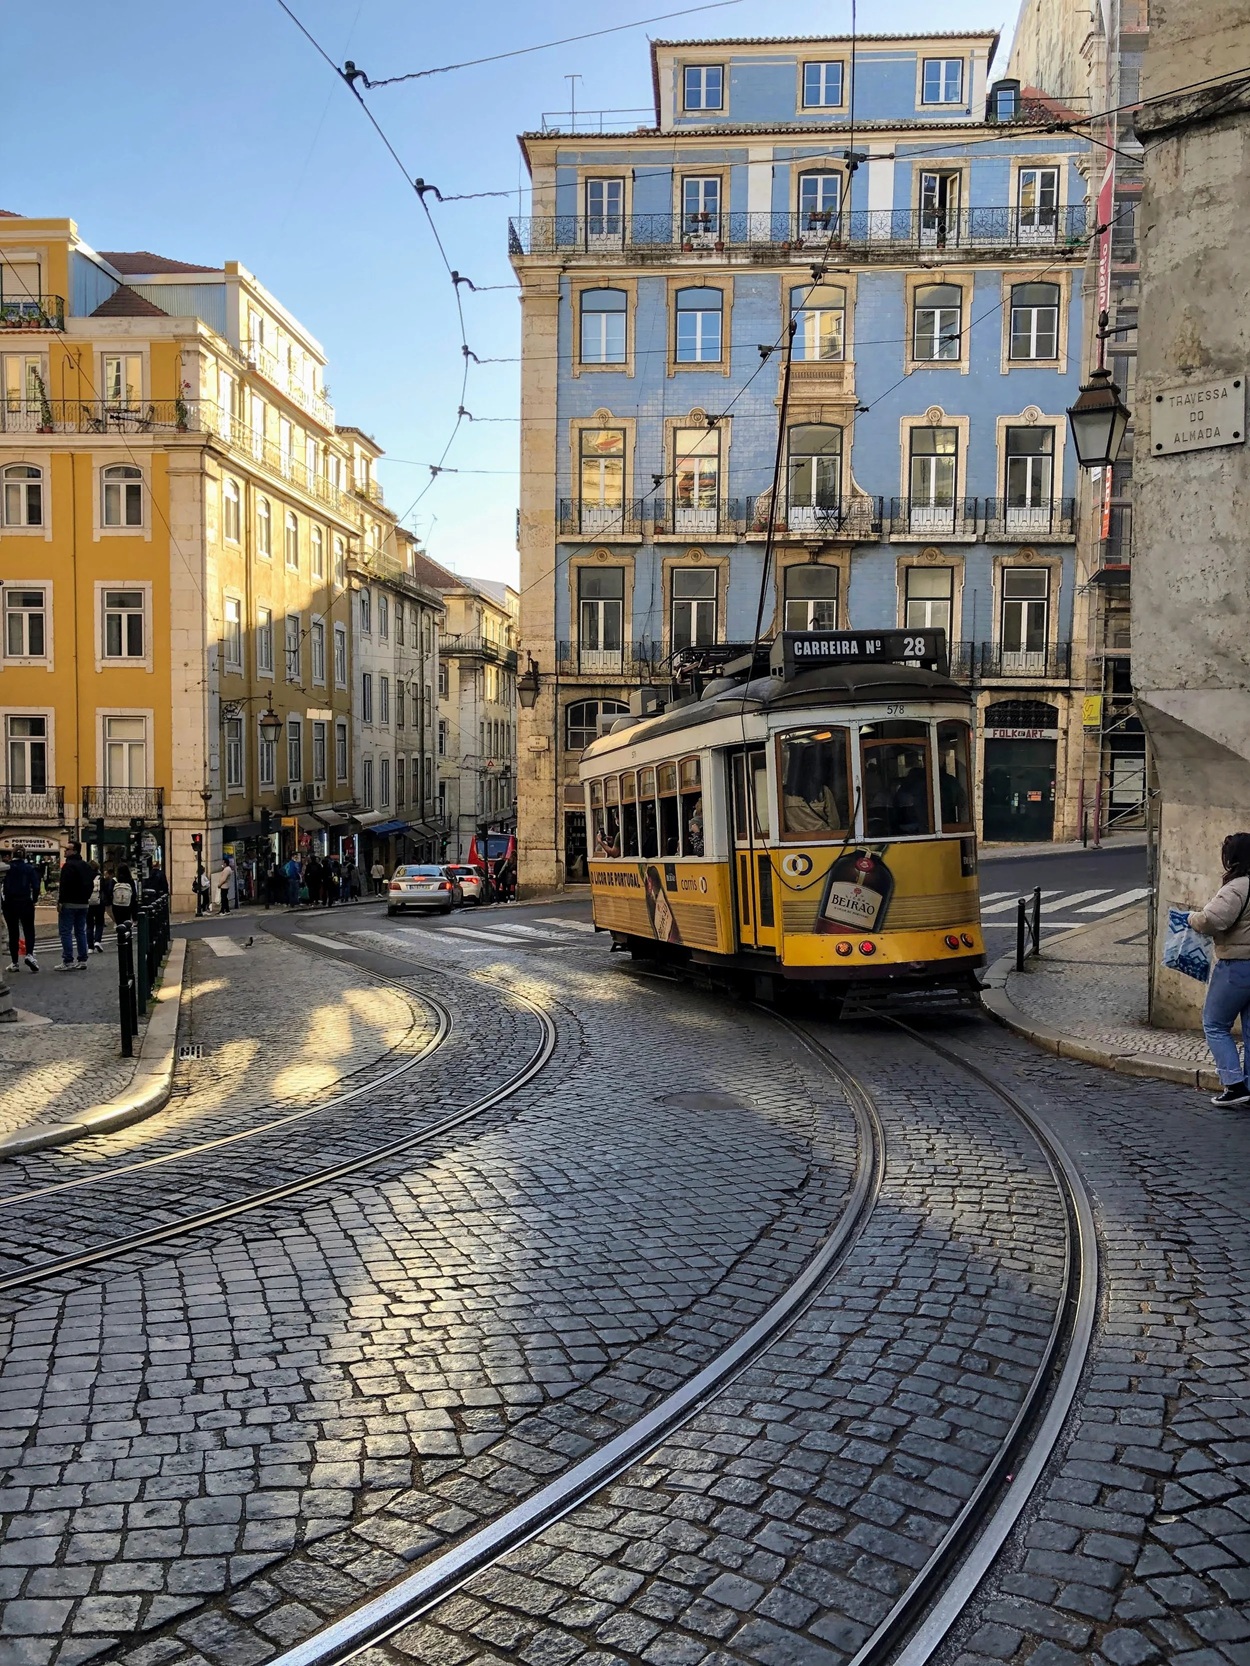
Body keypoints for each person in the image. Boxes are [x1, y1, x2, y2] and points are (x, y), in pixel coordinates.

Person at [1189, 832, 1250, 1107]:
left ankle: (1234, 1084)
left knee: (1215, 1023)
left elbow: (1211, 920)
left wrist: (1191, 918)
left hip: (1237, 965)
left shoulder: (1237, 887)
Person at [2, 847, 41, 973]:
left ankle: (14, 962)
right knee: (29, 929)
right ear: (24, 855)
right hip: (25, 901)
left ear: (12, 855)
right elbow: (36, 886)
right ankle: (29, 954)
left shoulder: (7, 868)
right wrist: (34, 900)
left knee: (13, 932)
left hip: (9, 903)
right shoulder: (29, 868)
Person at [57, 841, 95, 970]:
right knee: (80, 931)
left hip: (69, 903)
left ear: (74, 851)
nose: (65, 851)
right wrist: (87, 897)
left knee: (66, 932)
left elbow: (64, 885)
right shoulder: (86, 866)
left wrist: (61, 901)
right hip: (83, 903)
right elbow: (91, 884)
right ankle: (82, 959)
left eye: (67, 849)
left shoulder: (68, 866)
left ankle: (68, 960)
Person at [86, 863, 107, 955]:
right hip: (99, 902)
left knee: (89, 924)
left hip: (88, 903)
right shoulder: (100, 878)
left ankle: (90, 946)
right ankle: (97, 941)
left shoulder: (85, 877)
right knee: (99, 922)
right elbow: (104, 890)